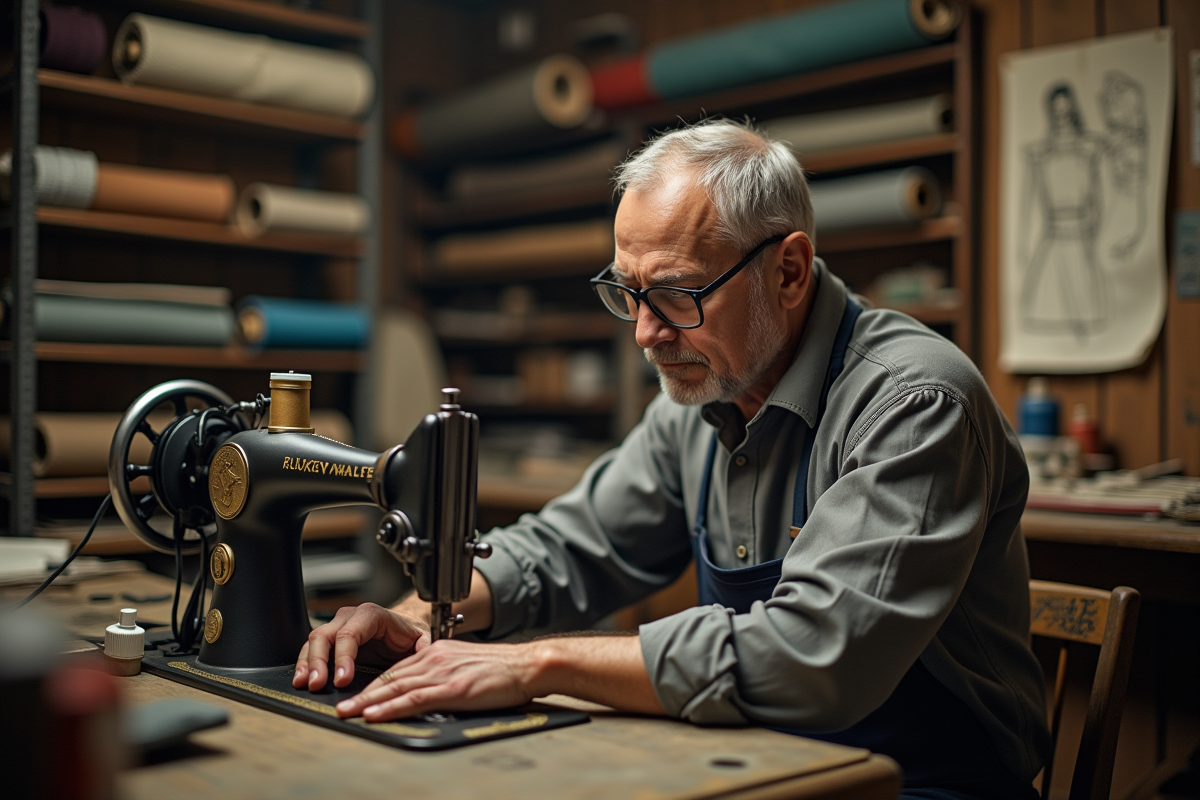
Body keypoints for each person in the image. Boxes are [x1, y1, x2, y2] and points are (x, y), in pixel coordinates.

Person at [294, 120, 1050, 799]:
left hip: (927, 784)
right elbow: (571, 547)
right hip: (772, 761)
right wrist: (416, 613)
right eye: (627, 294)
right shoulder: (700, 401)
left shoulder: (914, 405)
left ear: (787, 272)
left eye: (677, 296)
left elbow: (811, 657)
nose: (645, 335)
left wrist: (535, 664)